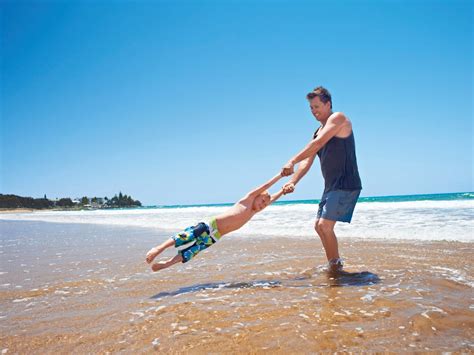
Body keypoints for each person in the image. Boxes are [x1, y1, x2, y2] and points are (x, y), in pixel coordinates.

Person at [281, 86, 362, 273]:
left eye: (317, 106)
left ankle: (336, 268)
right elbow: (307, 163)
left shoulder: (338, 118)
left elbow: (317, 144)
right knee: (319, 227)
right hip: (331, 186)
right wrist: (293, 181)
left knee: (325, 225)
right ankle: (334, 264)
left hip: (346, 183)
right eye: (311, 108)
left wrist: (292, 160)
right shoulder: (317, 131)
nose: (314, 111)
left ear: (328, 104)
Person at [145, 173, 286, 271]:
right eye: (262, 201)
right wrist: (280, 176)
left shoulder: (254, 211)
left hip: (215, 236)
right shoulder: (248, 200)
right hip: (209, 225)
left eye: (264, 205)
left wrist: (282, 191)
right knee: (185, 237)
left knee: (192, 251)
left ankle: (167, 264)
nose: (262, 205)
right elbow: (267, 184)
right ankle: (159, 249)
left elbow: (271, 199)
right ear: (256, 196)